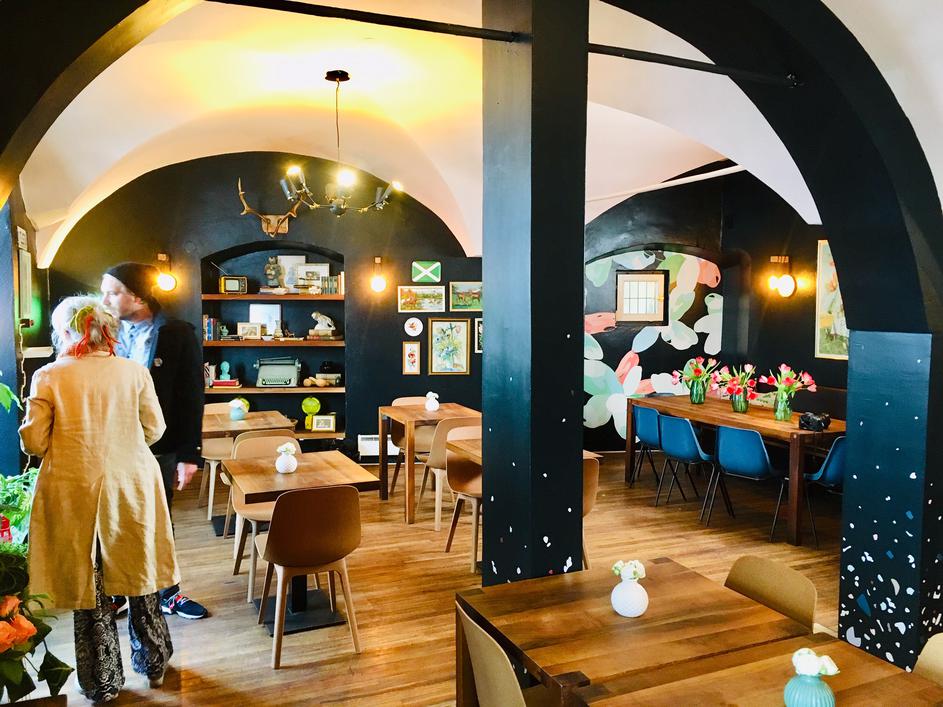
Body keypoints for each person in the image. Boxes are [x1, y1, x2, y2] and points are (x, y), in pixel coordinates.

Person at [20, 297, 178, 702]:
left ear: (65, 332)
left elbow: (35, 442)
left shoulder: (49, 376)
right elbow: (155, 428)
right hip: (133, 483)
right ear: (108, 330)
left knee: (89, 584)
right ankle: (154, 663)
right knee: (140, 571)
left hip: (74, 489)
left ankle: (101, 681)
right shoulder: (134, 371)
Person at [100, 262, 208, 621]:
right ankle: (119, 592)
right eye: (104, 292)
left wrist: (190, 453)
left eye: (113, 292)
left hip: (159, 446)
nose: (105, 300)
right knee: (113, 519)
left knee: (159, 519)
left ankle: (168, 593)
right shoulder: (102, 333)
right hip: (110, 446)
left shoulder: (176, 333)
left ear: (138, 296)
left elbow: (191, 396)